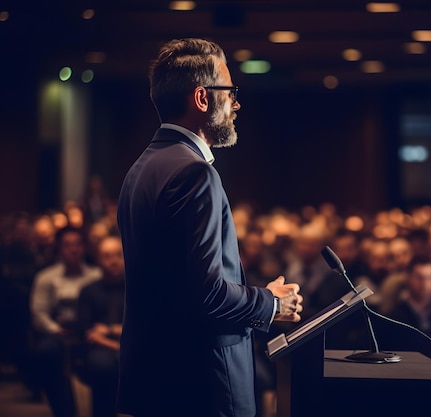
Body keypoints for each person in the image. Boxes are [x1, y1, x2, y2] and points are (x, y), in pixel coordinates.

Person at [116, 38, 303, 417]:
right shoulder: (193, 173)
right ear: (202, 99)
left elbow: (175, 287)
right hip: (200, 384)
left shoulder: (141, 168)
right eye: (229, 91)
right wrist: (272, 302)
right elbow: (205, 294)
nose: (236, 103)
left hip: (158, 379)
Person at [29, 226, 102, 417]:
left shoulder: (96, 275)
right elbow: (38, 313)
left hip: (90, 333)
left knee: (103, 361)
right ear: (60, 249)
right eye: (67, 245)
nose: (73, 249)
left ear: (84, 247)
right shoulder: (46, 277)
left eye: (77, 244)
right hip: (58, 334)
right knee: (47, 352)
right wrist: (55, 329)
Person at [76, 235, 126, 417]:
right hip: (101, 350)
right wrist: (117, 343)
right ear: (98, 259)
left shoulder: (136, 289)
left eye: (118, 255)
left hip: (132, 348)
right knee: (102, 366)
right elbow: (87, 333)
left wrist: (110, 330)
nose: (113, 261)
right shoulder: (89, 291)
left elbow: (143, 330)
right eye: (107, 256)